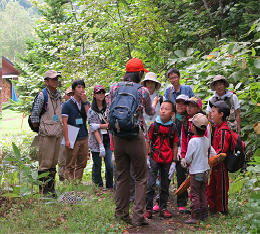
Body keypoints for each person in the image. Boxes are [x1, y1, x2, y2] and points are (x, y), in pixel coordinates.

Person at [107, 58, 159, 226]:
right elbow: (150, 112)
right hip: (135, 137)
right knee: (140, 177)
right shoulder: (142, 91)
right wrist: (154, 102)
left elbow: (109, 110)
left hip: (118, 136)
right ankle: (138, 217)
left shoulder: (114, 87)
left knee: (121, 176)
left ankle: (121, 214)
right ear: (139, 74)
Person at [31, 70, 63, 196]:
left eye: (57, 79)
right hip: (46, 135)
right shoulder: (41, 96)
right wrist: (41, 130)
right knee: (45, 163)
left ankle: (51, 190)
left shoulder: (59, 96)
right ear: (46, 82)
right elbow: (34, 117)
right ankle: (43, 192)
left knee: (53, 163)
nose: (56, 81)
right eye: (53, 79)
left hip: (57, 133)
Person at [145, 100, 178, 219]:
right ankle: (148, 209)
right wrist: (147, 157)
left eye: (167, 109)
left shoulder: (173, 127)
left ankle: (163, 208)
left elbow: (174, 145)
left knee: (165, 184)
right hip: (154, 157)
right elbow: (148, 141)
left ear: (172, 114)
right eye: (162, 108)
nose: (163, 111)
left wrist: (174, 162)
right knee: (150, 184)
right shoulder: (154, 125)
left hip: (167, 159)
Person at [180, 96, 211, 214]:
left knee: (197, 189)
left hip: (199, 159)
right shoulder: (185, 122)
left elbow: (208, 142)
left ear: (198, 108)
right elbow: (183, 140)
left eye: (192, 106)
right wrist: (183, 156)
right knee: (198, 187)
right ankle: (201, 209)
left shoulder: (204, 123)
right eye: (188, 105)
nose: (188, 108)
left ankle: (196, 211)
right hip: (192, 159)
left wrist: (208, 158)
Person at [184, 113, 216, 224]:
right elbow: (213, 153)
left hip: (195, 172)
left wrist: (186, 162)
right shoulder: (206, 140)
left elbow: (188, 157)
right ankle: (203, 214)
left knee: (195, 194)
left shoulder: (192, 141)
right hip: (205, 172)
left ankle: (194, 216)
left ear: (193, 127)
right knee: (203, 193)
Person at [62, 80, 90, 183]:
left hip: (84, 135)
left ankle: (77, 183)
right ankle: (70, 184)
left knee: (82, 163)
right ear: (74, 90)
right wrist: (67, 139)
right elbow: (64, 123)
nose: (81, 90)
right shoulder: (67, 104)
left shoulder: (85, 103)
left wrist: (85, 102)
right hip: (73, 137)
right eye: (79, 87)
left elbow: (89, 117)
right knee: (70, 163)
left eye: (83, 87)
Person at [207, 101, 231, 216]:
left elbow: (222, 150)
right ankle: (212, 208)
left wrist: (213, 157)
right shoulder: (217, 128)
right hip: (215, 163)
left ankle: (222, 209)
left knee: (220, 187)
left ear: (221, 114)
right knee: (212, 186)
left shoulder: (223, 131)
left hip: (221, 164)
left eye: (213, 112)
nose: (211, 114)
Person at [88, 85, 113, 189]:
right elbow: (93, 129)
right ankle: (99, 186)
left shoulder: (109, 109)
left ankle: (109, 186)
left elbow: (111, 124)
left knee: (110, 166)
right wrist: (100, 144)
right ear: (94, 95)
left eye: (103, 92)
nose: (101, 94)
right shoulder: (91, 111)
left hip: (108, 140)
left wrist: (99, 125)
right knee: (97, 165)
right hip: (96, 142)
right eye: (99, 93)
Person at [58, 87, 73, 182]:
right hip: (62, 133)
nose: (71, 96)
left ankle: (71, 176)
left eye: (72, 94)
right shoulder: (60, 107)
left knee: (72, 155)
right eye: (69, 94)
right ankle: (61, 176)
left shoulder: (76, 105)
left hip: (73, 132)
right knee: (62, 154)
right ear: (65, 96)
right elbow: (55, 118)